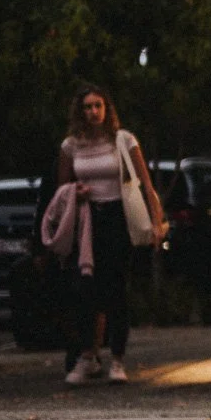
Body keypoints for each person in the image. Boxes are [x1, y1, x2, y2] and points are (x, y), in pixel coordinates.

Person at [54, 84, 166, 384]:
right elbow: (61, 189)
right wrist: (75, 192)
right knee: (85, 291)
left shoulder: (123, 140)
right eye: (88, 107)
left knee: (116, 290)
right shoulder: (71, 146)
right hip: (87, 223)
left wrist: (157, 222)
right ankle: (87, 356)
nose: (93, 112)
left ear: (107, 109)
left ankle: (117, 359)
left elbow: (144, 182)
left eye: (98, 106)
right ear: (80, 111)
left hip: (117, 218)